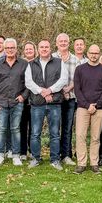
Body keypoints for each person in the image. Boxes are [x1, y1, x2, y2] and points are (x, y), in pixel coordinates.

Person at [26, 40, 68, 170]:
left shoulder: (59, 62)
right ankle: (35, 158)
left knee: (55, 133)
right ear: (38, 49)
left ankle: (55, 160)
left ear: (50, 48)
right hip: (37, 103)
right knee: (35, 133)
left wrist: (50, 90)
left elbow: (63, 80)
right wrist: (42, 92)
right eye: (42, 47)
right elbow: (29, 82)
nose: (44, 49)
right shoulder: (31, 64)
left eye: (46, 47)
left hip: (54, 103)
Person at [73, 45, 102, 174]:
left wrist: (96, 105)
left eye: (96, 53)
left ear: (99, 54)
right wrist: (87, 105)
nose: (93, 55)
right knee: (80, 135)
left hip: (99, 108)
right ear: (87, 53)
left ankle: (94, 163)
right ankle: (81, 163)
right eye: (91, 53)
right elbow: (77, 90)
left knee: (95, 137)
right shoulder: (80, 69)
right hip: (83, 108)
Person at [0, 38, 29, 166]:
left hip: (17, 102)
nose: (10, 50)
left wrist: (24, 96)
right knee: (1, 129)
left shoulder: (24, 64)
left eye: (12, 48)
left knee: (15, 128)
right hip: (0, 102)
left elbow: (29, 83)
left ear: (16, 49)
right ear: (4, 50)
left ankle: (16, 155)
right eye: (7, 48)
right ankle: (0, 154)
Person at [53, 33, 79, 166]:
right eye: (60, 41)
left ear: (69, 43)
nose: (63, 43)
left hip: (70, 97)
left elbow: (78, 78)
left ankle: (66, 155)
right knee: (55, 127)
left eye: (65, 41)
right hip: (55, 98)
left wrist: (69, 88)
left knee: (67, 127)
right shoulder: (52, 58)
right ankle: (55, 155)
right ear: (56, 43)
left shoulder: (75, 60)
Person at [19, 42, 37, 160]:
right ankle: (23, 152)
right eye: (27, 49)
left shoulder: (38, 63)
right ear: (24, 51)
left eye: (31, 49)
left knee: (34, 127)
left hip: (35, 99)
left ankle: (32, 150)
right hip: (23, 99)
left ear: (34, 50)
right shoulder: (21, 63)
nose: (29, 51)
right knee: (22, 126)